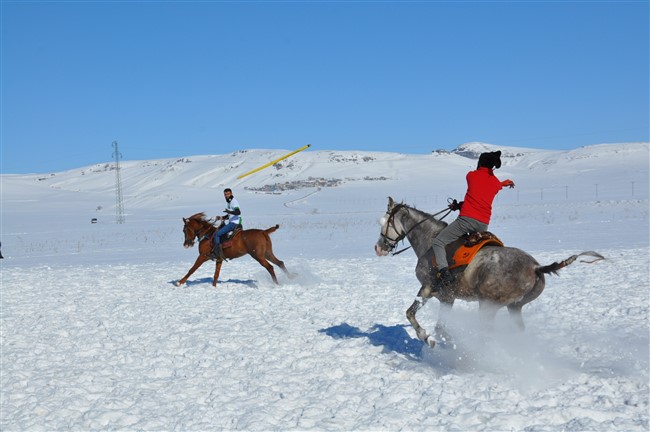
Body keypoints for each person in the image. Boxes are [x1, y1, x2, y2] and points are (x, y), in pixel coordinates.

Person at [431, 150, 515, 287]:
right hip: (483, 225)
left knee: (438, 242)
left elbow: (476, 192)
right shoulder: (495, 183)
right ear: (492, 167)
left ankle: (444, 273)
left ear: (480, 163)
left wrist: (460, 207)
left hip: (466, 221)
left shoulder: (471, 176)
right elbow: (480, 196)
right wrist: (459, 206)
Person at [211, 188, 243, 259]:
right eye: (225, 194)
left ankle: (217, 253)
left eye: (228, 194)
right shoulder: (229, 202)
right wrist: (222, 217)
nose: (226, 196)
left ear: (231, 193)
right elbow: (231, 215)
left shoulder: (234, 202)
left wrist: (229, 212)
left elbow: (238, 212)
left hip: (234, 224)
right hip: (233, 222)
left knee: (217, 234)